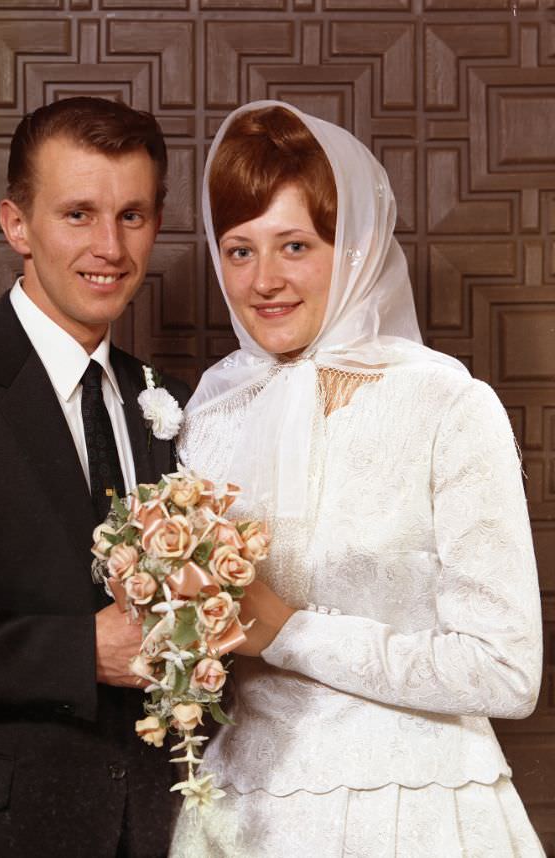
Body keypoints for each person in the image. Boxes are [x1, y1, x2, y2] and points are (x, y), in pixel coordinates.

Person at [169, 101, 545, 857]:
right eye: (239, 251)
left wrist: (290, 633)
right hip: (241, 816)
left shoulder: (445, 403)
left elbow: (507, 671)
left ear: (357, 248)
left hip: (420, 812)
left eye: (295, 245)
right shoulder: (213, 409)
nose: (264, 280)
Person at [0, 96, 188, 858]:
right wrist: (79, 651)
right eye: (78, 214)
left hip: (153, 828)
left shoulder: (169, 402)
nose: (109, 245)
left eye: (132, 215)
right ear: (16, 225)